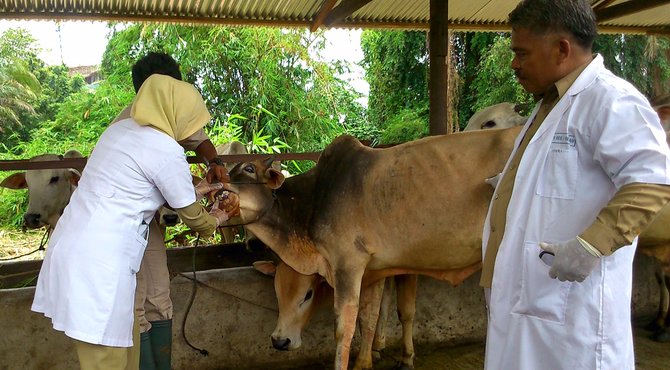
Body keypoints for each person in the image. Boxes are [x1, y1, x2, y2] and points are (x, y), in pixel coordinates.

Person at [479, 1, 670, 369]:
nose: (514, 65)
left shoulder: (610, 100)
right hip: (529, 304)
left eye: (521, 53)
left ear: (562, 49)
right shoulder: (549, 104)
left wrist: (591, 245)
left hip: (569, 312)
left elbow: (653, 178)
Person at [31, 74, 233, 370]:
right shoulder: (167, 150)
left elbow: (136, 185)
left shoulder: (119, 131)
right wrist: (219, 217)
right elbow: (196, 220)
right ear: (175, 112)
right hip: (99, 266)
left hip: (78, 248)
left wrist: (198, 189)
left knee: (125, 349)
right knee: (106, 358)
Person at [114, 52, 229, 370]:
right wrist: (215, 218)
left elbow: (199, 140)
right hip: (121, 227)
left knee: (159, 296)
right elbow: (195, 218)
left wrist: (214, 162)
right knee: (134, 305)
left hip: (146, 222)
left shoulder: (169, 113)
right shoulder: (131, 125)